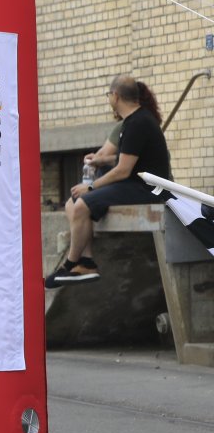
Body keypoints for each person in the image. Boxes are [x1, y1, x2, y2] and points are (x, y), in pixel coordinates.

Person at [48, 75, 172, 286]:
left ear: (115, 96)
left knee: (82, 204)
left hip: (147, 189)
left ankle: (70, 264)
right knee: (72, 202)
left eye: (108, 95)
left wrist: (90, 186)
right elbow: (126, 160)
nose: (109, 99)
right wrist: (99, 165)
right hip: (135, 184)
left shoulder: (138, 123)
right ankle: (86, 261)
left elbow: (122, 170)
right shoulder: (133, 122)